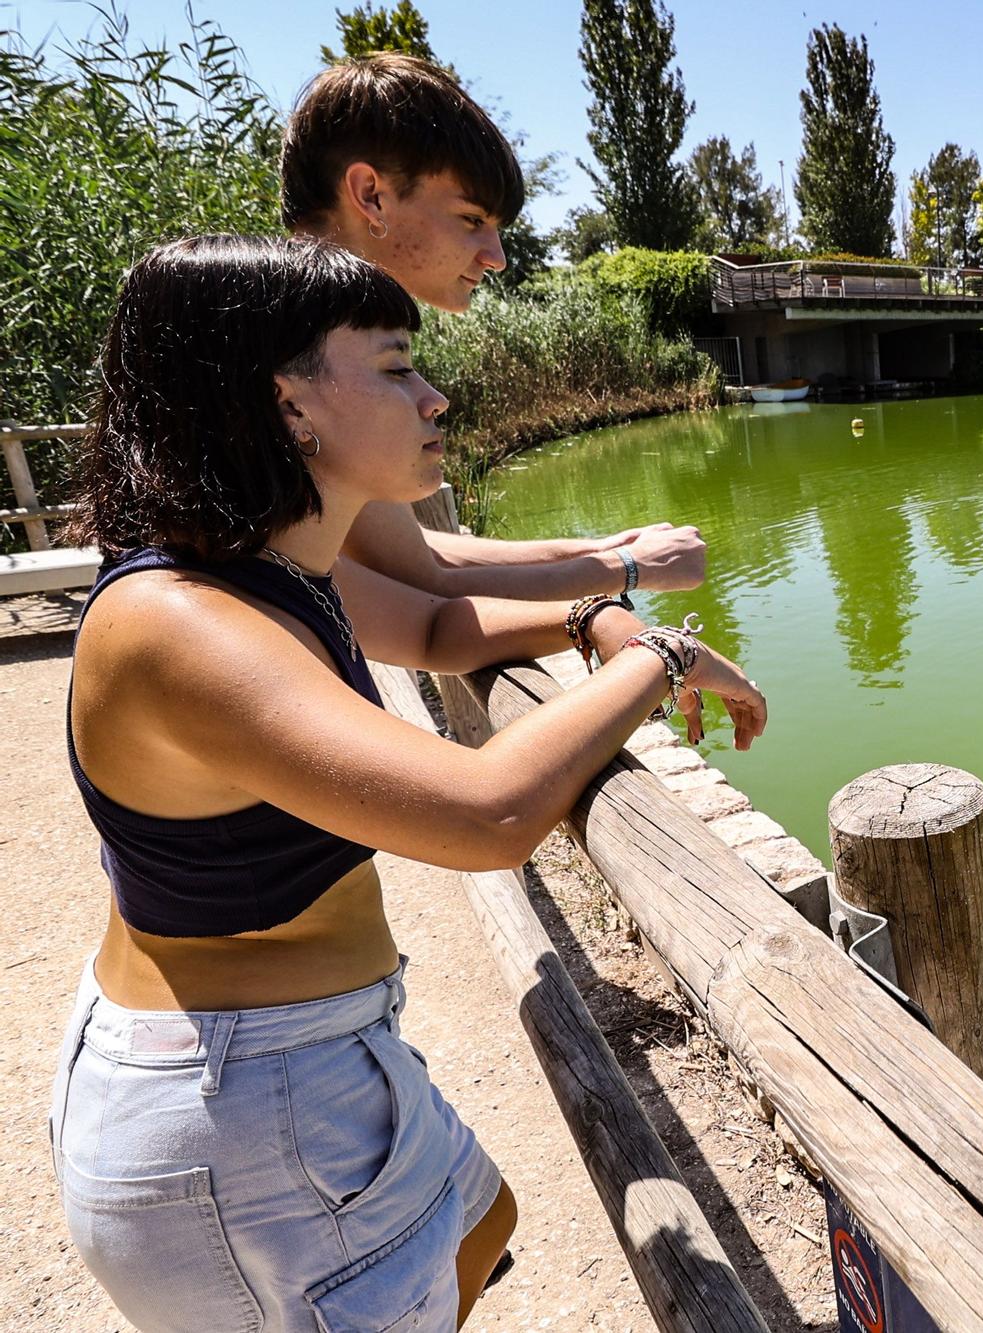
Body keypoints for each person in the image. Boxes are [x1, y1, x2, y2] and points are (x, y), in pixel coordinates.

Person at [48, 234, 767, 1331]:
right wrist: (656, 662)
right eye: (393, 368)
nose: (434, 398)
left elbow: (433, 623)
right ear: (290, 404)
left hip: (289, 1062)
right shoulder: (179, 625)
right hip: (240, 1111)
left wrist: (595, 615)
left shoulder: (268, 569)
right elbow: (487, 814)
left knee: (482, 1223)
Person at [282, 52, 706, 602]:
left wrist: (602, 548)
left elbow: (421, 552)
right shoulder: (302, 353)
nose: (497, 256)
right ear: (370, 195)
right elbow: (425, 591)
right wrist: (627, 569)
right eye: (472, 219)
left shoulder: (316, 325)